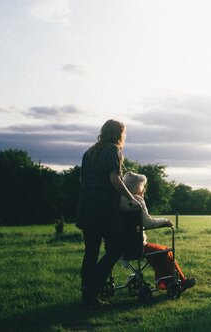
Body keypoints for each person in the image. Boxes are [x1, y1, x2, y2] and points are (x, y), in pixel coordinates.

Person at [76, 119, 141, 306]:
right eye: (124, 133)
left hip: (86, 207)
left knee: (91, 252)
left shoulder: (89, 153)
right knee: (116, 248)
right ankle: (93, 287)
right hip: (103, 210)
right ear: (118, 134)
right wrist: (131, 198)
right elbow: (114, 179)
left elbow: (84, 180)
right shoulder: (113, 150)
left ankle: (88, 294)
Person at [120, 172, 196, 292]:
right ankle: (177, 281)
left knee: (157, 251)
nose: (144, 188)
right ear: (135, 187)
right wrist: (166, 221)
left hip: (119, 246)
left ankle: (167, 281)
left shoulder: (118, 200)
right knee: (164, 251)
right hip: (136, 246)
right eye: (142, 186)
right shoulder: (136, 200)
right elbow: (148, 223)